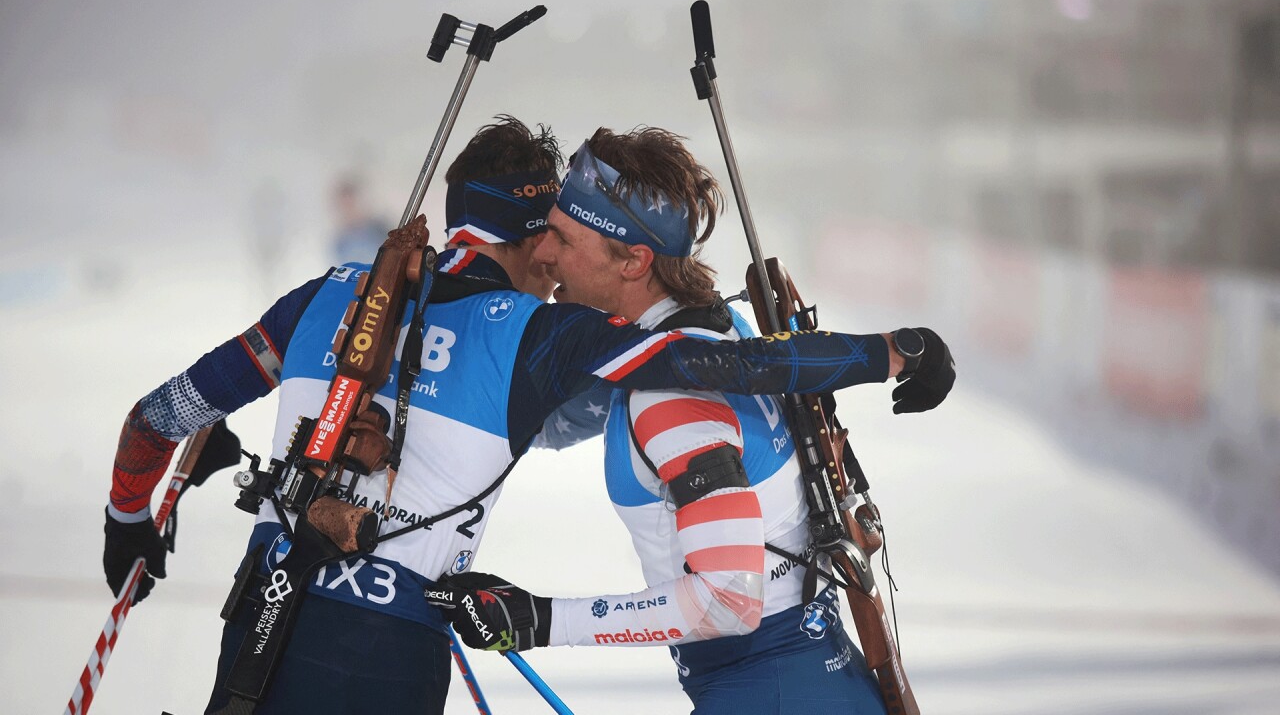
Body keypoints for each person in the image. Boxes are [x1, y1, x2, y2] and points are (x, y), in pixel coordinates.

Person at [102, 115, 950, 715]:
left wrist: (128, 517)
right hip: (387, 657)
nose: (551, 261)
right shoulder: (542, 339)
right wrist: (890, 353)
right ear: (526, 232)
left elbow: (155, 417)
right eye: (546, 238)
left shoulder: (322, 299)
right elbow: (716, 364)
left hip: (263, 617)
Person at [429, 127, 955, 714]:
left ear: (634, 260)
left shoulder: (671, 398)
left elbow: (729, 601)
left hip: (767, 691)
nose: (543, 256)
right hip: (815, 675)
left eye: (561, 238)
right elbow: (558, 419)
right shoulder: (722, 329)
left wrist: (535, 619)